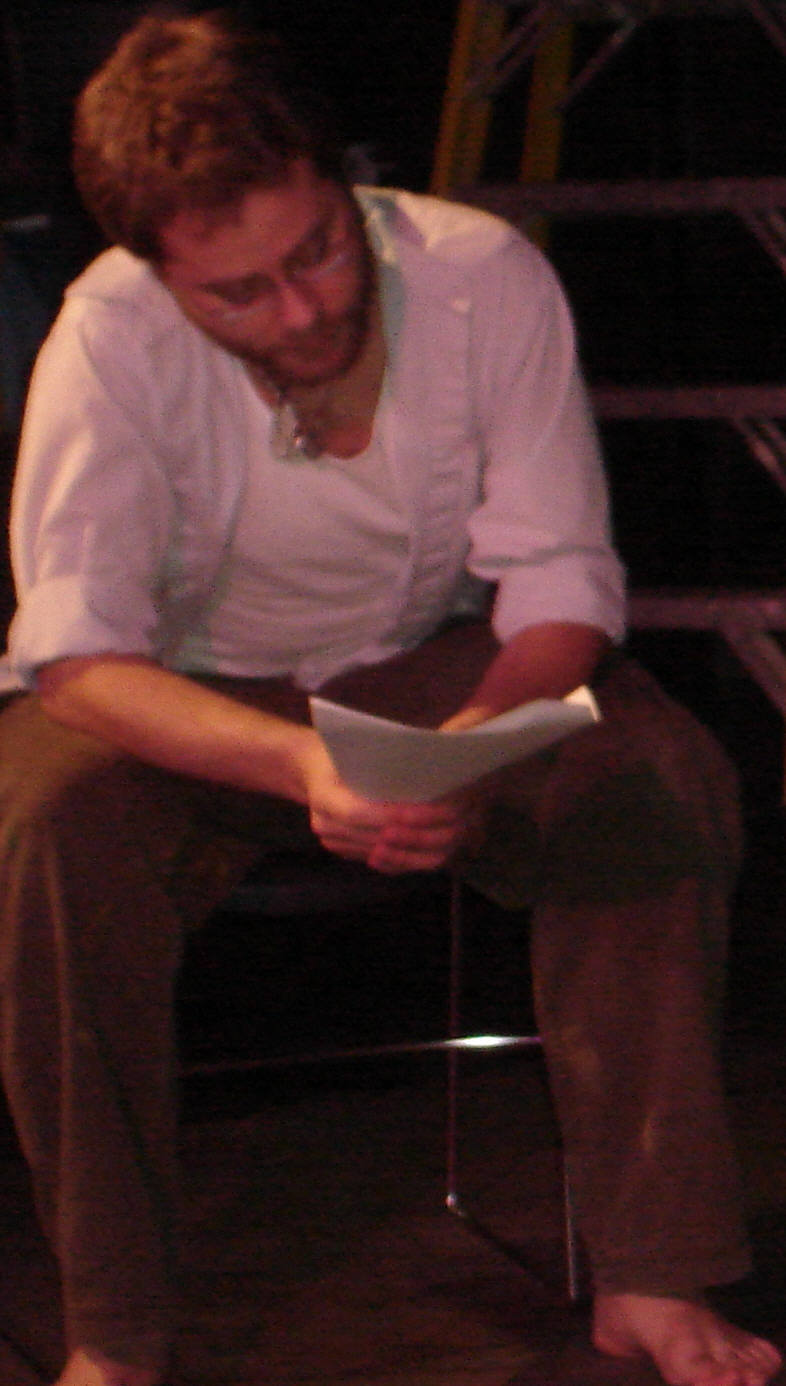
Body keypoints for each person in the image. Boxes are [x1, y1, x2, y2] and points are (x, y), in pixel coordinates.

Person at [0, 12, 779, 1386]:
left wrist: (467, 748)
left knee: (652, 775)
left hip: (418, 660)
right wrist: (305, 768)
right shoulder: (106, 339)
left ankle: (650, 1272)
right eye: (238, 293)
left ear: (343, 179)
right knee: (39, 835)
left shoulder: (481, 277)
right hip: (185, 695)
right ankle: (115, 1332)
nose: (300, 310)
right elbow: (75, 655)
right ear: (160, 273)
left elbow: (561, 580)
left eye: (315, 251)